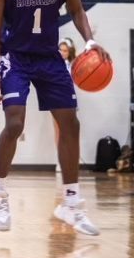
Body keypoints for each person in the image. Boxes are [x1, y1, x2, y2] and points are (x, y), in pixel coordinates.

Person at [0, 0, 110, 235]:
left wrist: (89, 42)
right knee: (14, 123)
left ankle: (71, 203)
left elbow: (78, 11)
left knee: (70, 123)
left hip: (49, 59)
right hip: (16, 59)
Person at [54, 38, 77, 172]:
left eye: (65, 50)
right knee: (58, 131)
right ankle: (59, 160)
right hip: (56, 99)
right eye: (60, 50)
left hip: (69, 99)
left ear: (69, 52)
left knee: (70, 130)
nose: (62, 53)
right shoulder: (54, 64)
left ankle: (70, 159)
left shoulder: (73, 64)